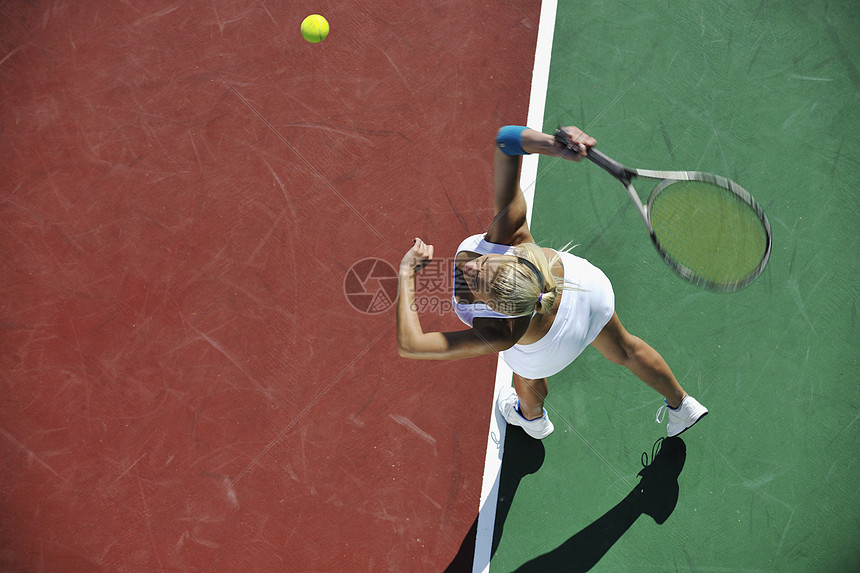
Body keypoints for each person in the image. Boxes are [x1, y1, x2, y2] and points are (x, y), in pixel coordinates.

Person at [396, 125, 707, 439]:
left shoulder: (501, 333)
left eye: (482, 284)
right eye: (488, 262)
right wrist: (552, 145)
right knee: (625, 349)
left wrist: (407, 273)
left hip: (554, 344)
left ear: (499, 310)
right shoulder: (510, 234)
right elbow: (506, 142)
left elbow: (411, 345)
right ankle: (682, 406)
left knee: (525, 373)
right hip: (589, 291)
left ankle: (531, 419)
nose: (472, 269)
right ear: (514, 255)